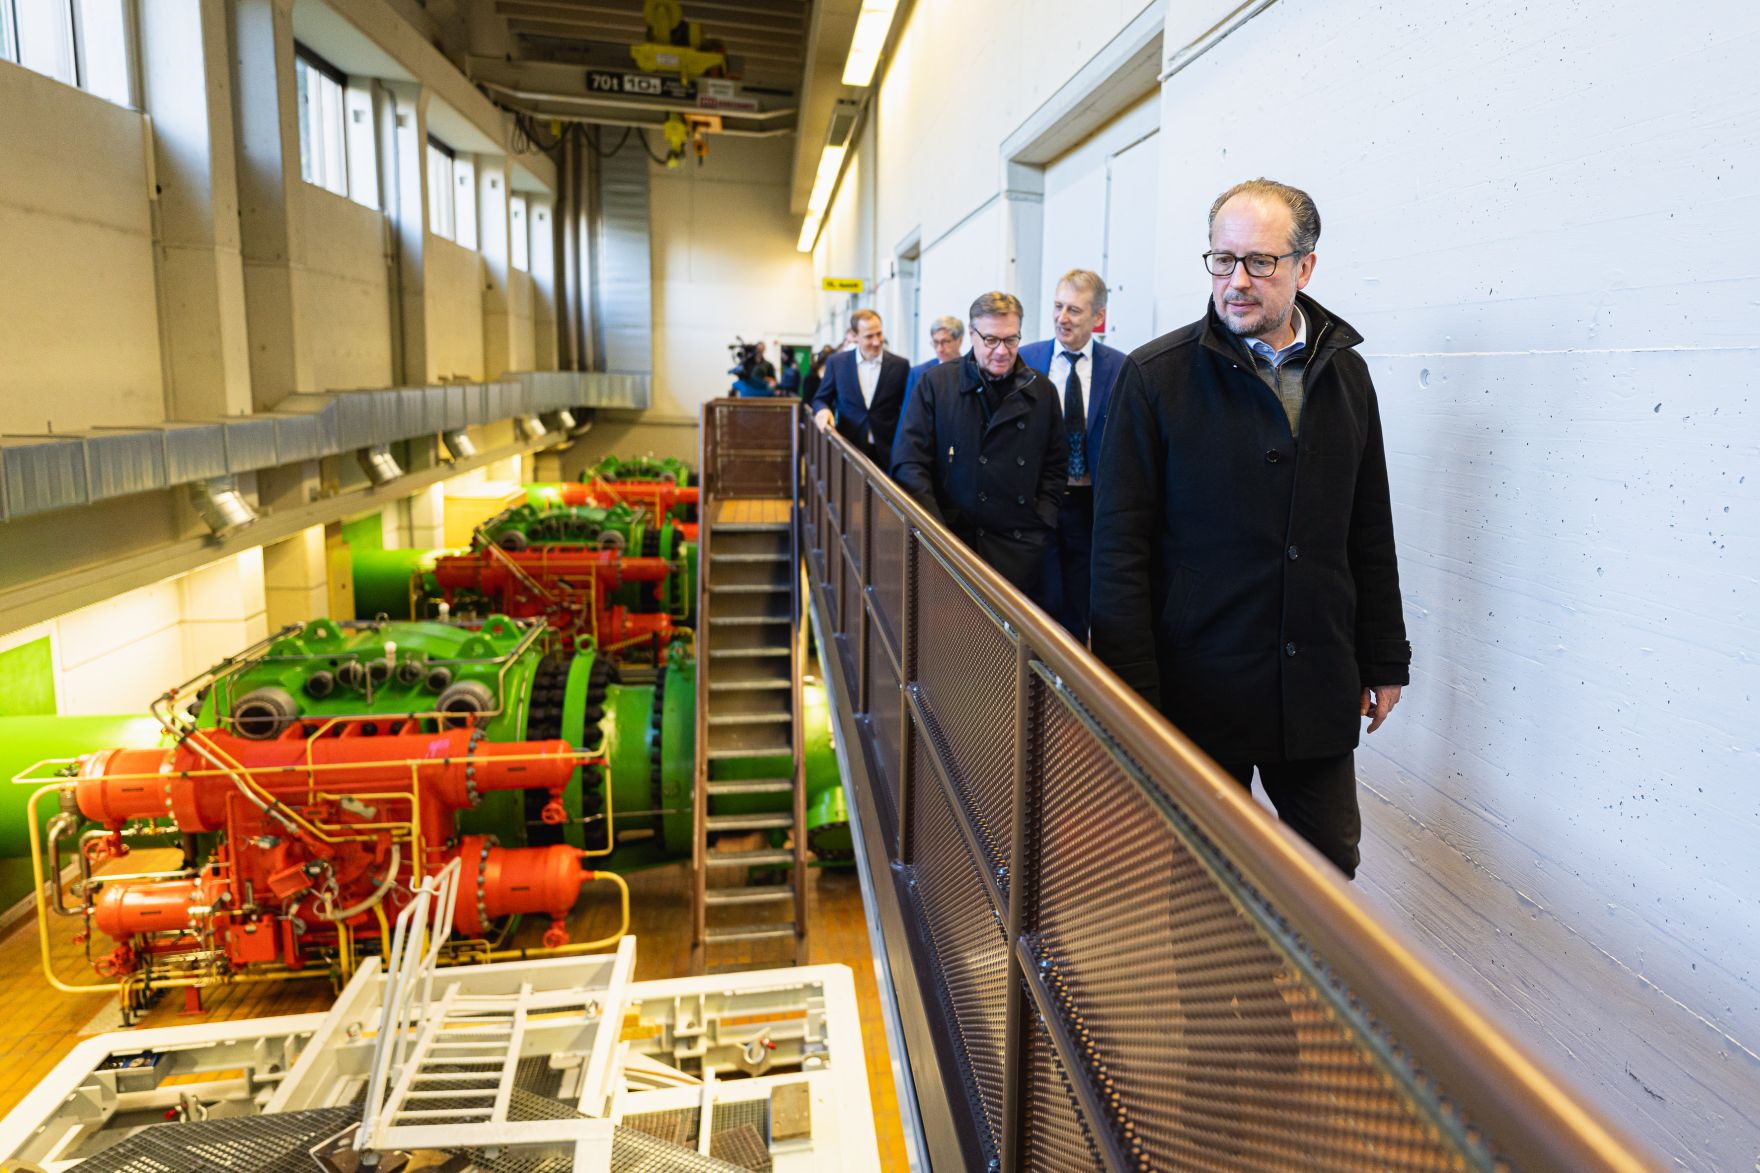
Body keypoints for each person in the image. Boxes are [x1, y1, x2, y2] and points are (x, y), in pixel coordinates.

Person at [1090, 178, 1411, 879]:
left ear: (1305, 266)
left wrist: (1385, 657)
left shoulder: (1347, 379)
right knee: (1203, 887)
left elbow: (1370, 526)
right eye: (1222, 259)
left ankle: (1298, 994)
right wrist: (1132, 701)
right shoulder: (1154, 379)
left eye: (1259, 262)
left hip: (1317, 680)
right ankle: (1220, 998)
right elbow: (1119, 552)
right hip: (1198, 685)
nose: (1236, 281)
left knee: (1327, 875)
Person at [890, 292, 1066, 597]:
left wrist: (1042, 520)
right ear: (972, 335)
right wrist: (936, 534)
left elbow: (1055, 464)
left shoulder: (1042, 391)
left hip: (1019, 546)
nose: (1002, 351)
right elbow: (909, 463)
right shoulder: (936, 384)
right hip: (952, 544)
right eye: (991, 340)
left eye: (1011, 340)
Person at [1019, 269, 1126, 641]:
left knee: (1081, 599)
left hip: (1089, 504)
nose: (1062, 318)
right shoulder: (1026, 361)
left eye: (1074, 311)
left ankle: (1073, 680)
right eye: (1058, 307)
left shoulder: (1120, 368)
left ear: (1098, 318)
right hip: (1038, 501)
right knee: (1039, 596)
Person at [811, 309, 910, 466]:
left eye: (879, 334)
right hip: (849, 447)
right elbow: (820, 398)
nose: (877, 342)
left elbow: (907, 408)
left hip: (887, 450)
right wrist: (823, 410)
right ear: (855, 336)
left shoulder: (900, 365)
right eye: (869, 336)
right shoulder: (837, 363)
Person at [905, 315, 965, 401]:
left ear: (959, 341)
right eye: (936, 342)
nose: (940, 349)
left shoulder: (971, 370)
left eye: (945, 342)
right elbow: (907, 412)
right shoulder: (918, 373)